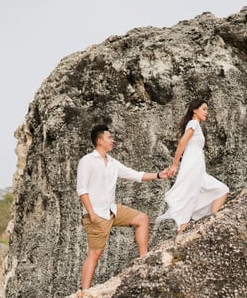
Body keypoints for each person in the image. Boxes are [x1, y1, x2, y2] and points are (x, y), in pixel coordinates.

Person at [75, 124, 172, 298]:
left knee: (142, 219)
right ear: (99, 141)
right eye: (109, 137)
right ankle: (85, 292)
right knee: (95, 254)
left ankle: (143, 260)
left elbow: (135, 175)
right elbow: (82, 190)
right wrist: (92, 214)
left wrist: (159, 175)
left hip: (112, 209)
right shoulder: (87, 161)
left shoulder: (112, 163)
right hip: (96, 214)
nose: (112, 140)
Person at [157, 99, 229, 234]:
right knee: (191, 196)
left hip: (197, 166)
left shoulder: (195, 124)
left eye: (207, 109)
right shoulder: (194, 123)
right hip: (192, 165)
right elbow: (182, 142)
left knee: (220, 190)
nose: (207, 112)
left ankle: (212, 222)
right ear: (195, 110)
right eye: (204, 109)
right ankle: (207, 225)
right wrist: (174, 165)